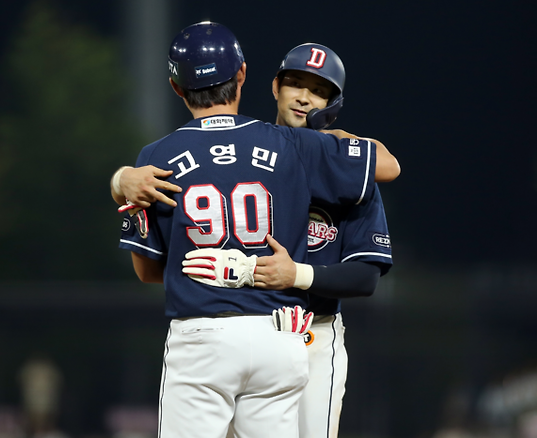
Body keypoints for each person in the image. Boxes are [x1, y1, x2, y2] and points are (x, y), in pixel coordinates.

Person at [115, 22, 399, 438]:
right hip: (271, 332)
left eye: (319, 91)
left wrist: (120, 179)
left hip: (306, 330)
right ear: (263, 82)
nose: (304, 96)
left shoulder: (163, 155)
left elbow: (368, 267)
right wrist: (121, 177)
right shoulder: (289, 148)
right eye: (295, 83)